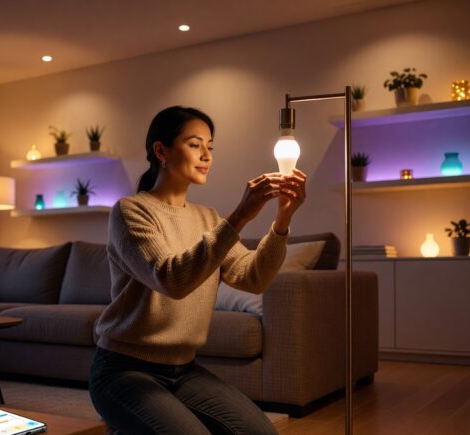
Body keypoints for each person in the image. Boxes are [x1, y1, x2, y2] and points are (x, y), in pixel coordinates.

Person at [89, 106, 307, 435]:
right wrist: (240, 217)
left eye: (210, 146)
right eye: (194, 144)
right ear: (160, 151)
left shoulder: (208, 218)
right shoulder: (131, 211)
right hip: (122, 370)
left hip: (184, 370)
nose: (206, 155)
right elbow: (172, 279)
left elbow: (254, 278)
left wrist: (283, 220)